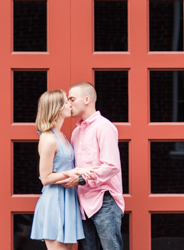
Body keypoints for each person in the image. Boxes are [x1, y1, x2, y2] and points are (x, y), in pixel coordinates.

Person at [62, 82, 124, 250]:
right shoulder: (76, 132)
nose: (68, 104)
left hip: (104, 200)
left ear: (87, 99)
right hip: (82, 201)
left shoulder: (104, 127)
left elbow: (111, 166)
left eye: (72, 99)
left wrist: (81, 180)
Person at [31, 90, 95, 249]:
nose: (70, 104)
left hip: (68, 200)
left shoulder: (61, 135)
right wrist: (75, 171)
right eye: (66, 101)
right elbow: (45, 178)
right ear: (57, 108)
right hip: (55, 201)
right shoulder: (48, 138)